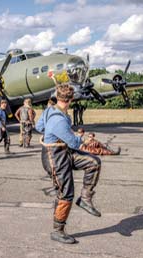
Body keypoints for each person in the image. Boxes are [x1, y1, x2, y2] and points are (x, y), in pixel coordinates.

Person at [35, 83, 102, 244]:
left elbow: (38, 127)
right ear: (71, 99)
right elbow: (73, 143)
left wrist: (53, 131)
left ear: (57, 97)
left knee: (93, 162)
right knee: (66, 193)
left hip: (64, 152)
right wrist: (83, 138)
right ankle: (58, 230)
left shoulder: (51, 111)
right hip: (55, 158)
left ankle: (85, 199)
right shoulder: (59, 120)